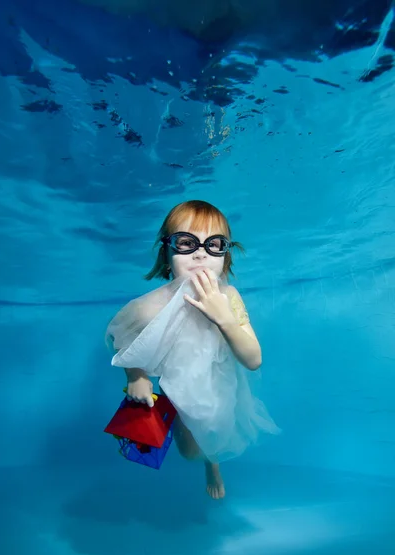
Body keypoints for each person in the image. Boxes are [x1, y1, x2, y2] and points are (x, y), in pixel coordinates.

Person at [106, 200, 280, 499]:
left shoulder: (229, 296)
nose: (200, 252)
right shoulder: (149, 306)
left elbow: (253, 360)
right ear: (167, 253)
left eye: (214, 244)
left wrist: (224, 318)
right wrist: (136, 376)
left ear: (225, 257)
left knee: (214, 437)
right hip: (176, 383)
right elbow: (123, 338)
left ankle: (213, 464)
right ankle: (205, 458)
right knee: (188, 451)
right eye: (186, 243)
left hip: (219, 379)